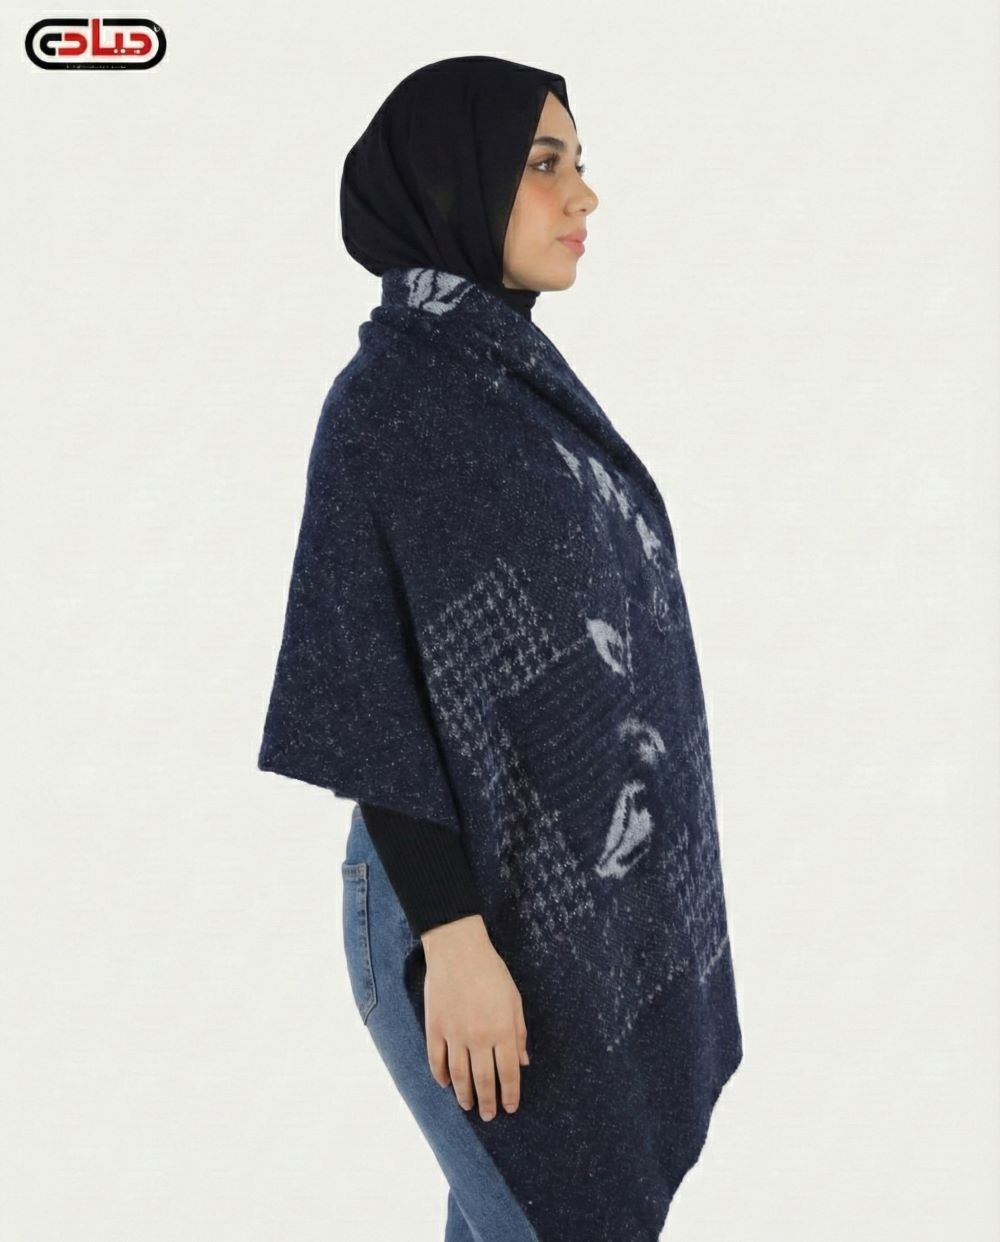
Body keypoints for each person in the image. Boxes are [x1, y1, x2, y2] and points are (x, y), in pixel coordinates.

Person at [258, 55, 743, 1242]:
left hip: (563, 893)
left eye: (579, 164)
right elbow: (367, 695)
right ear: (453, 178)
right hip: (457, 907)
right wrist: (454, 941)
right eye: (543, 164)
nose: (583, 196)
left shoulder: (521, 394)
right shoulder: (388, 402)